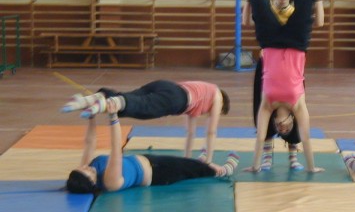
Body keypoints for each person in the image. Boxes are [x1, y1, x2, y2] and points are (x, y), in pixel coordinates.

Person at [230, 0, 337, 172]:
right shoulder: (298, 104)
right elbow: (307, 136)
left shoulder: (268, 104)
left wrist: (254, 166)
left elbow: (261, 137)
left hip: (276, 43)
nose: (282, 127)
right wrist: (312, 167)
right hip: (291, 44)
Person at [243, 0, 324, 171]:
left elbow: (319, 22)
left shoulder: (294, 11)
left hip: (281, 50)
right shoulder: (269, 9)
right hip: (277, 55)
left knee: (303, 3)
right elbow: (247, 21)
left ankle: (292, 156)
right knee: (262, 5)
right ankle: (267, 156)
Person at [65, 112, 239, 194]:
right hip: (159, 173)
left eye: (82, 168)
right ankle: (223, 171)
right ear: (92, 182)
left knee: (189, 165)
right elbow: (116, 149)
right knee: (190, 169)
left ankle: (201, 164)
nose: (86, 167)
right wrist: (113, 118)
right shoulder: (109, 182)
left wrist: (91, 118)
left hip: (148, 160)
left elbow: (89, 143)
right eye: (87, 172)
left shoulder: (91, 168)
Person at [61, 80, 230, 162]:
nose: (209, 114)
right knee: (143, 108)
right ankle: (104, 103)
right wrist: (209, 161)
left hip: (165, 85)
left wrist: (187, 159)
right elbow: (211, 131)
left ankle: (94, 98)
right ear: (222, 106)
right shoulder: (217, 96)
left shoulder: (202, 94)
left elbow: (191, 132)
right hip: (176, 98)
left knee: (130, 97)